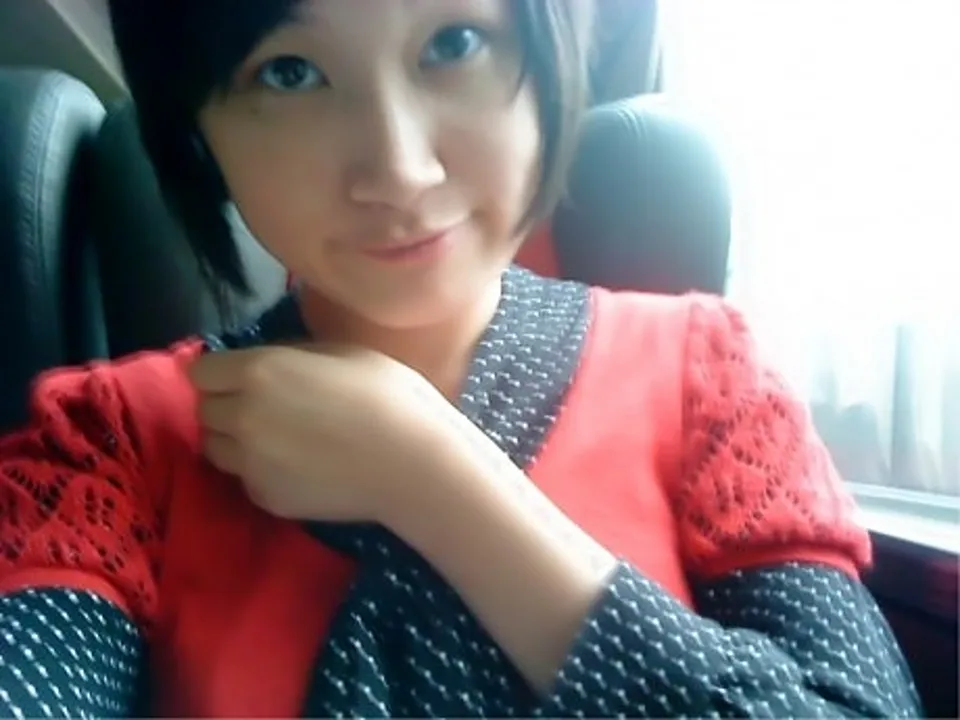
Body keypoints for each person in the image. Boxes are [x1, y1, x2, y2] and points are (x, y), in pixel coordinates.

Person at [0, 1, 922, 717]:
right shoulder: (110, 446)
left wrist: (435, 482)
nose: (400, 170)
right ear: (199, 125)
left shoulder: (708, 377)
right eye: (289, 71)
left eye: (454, 43)